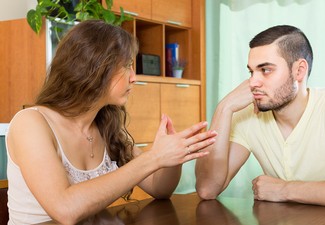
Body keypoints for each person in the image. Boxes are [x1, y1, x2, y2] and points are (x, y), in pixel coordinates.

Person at [6, 20, 217, 225]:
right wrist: (154, 158)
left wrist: (171, 157)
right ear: (94, 67)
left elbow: (159, 189)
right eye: (127, 66)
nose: (133, 77)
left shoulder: (106, 125)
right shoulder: (31, 123)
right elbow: (65, 210)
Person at [195, 25, 325, 209]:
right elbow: (207, 189)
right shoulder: (248, 117)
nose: (253, 82)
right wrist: (224, 107)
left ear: (299, 70)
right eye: (251, 71)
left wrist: (284, 190)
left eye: (265, 70)